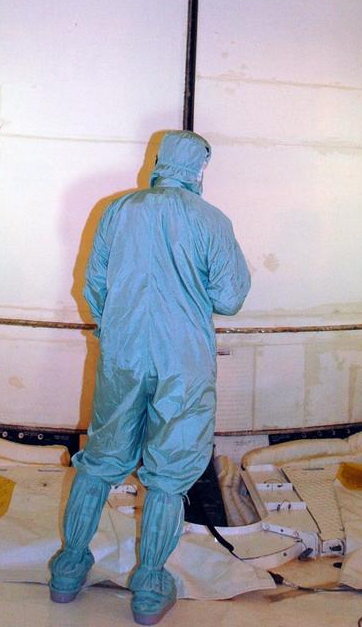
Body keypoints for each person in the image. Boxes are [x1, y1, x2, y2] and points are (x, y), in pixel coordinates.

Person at [50, 130, 250, 626]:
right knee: (167, 475)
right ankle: (149, 586)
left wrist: (121, 331)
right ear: (200, 169)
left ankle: (68, 570)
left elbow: (94, 286)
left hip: (123, 355)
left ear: (159, 162)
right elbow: (230, 297)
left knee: (99, 460)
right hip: (183, 361)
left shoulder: (118, 210)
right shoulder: (211, 220)